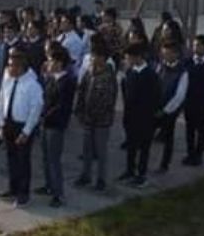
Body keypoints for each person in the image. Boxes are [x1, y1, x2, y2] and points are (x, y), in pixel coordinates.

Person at [0, 52, 44, 208]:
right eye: (9, 65)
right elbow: (1, 102)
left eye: (12, 66)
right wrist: (1, 123)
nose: (9, 68)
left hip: (22, 126)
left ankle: (23, 193)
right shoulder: (8, 81)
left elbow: (35, 109)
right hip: (9, 123)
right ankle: (13, 188)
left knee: (22, 160)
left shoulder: (32, 85)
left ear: (20, 67)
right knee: (11, 159)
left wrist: (26, 131)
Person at [34, 47, 76, 207]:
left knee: (54, 160)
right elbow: (45, 98)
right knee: (46, 157)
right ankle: (49, 185)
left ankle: (58, 194)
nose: (48, 63)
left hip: (56, 125)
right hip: (46, 123)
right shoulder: (51, 79)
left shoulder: (66, 82)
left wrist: (45, 116)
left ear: (59, 63)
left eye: (51, 60)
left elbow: (61, 106)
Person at [74, 44, 117, 191]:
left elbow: (108, 100)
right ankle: (86, 175)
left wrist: (95, 114)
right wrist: (79, 110)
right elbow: (82, 91)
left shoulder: (109, 76)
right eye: (92, 56)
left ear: (103, 58)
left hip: (101, 120)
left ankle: (101, 179)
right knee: (87, 150)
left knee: (100, 151)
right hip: (87, 118)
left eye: (95, 56)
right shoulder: (89, 72)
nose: (92, 59)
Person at [119, 43, 161, 188]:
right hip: (131, 116)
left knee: (144, 148)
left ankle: (141, 174)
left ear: (137, 57)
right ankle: (130, 170)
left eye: (128, 58)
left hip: (145, 118)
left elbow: (155, 97)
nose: (127, 61)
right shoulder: (130, 72)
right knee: (131, 145)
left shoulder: (150, 75)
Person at [153, 42, 188, 173]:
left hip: (169, 110)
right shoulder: (160, 66)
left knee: (168, 138)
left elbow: (179, 96)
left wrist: (165, 111)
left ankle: (164, 164)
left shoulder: (182, 72)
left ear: (175, 54)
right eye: (163, 53)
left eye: (167, 54)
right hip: (156, 107)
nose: (164, 56)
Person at [183, 35, 204, 166]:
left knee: (202, 131)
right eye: (194, 45)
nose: (195, 48)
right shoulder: (188, 62)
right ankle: (190, 154)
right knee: (189, 130)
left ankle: (198, 155)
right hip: (189, 102)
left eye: (198, 45)